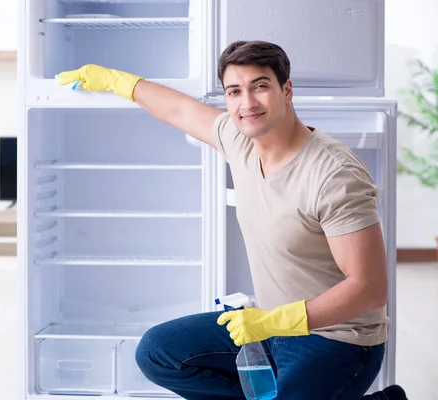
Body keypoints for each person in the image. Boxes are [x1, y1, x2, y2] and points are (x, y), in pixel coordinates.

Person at [57, 41, 408, 400]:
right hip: (267, 330)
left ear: (286, 90)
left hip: (337, 340)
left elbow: (369, 287)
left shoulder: (333, 173)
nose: (248, 103)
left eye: (260, 86)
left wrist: (273, 322)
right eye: (235, 91)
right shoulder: (239, 140)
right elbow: (180, 110)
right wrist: (115, 81)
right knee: (157, 352)